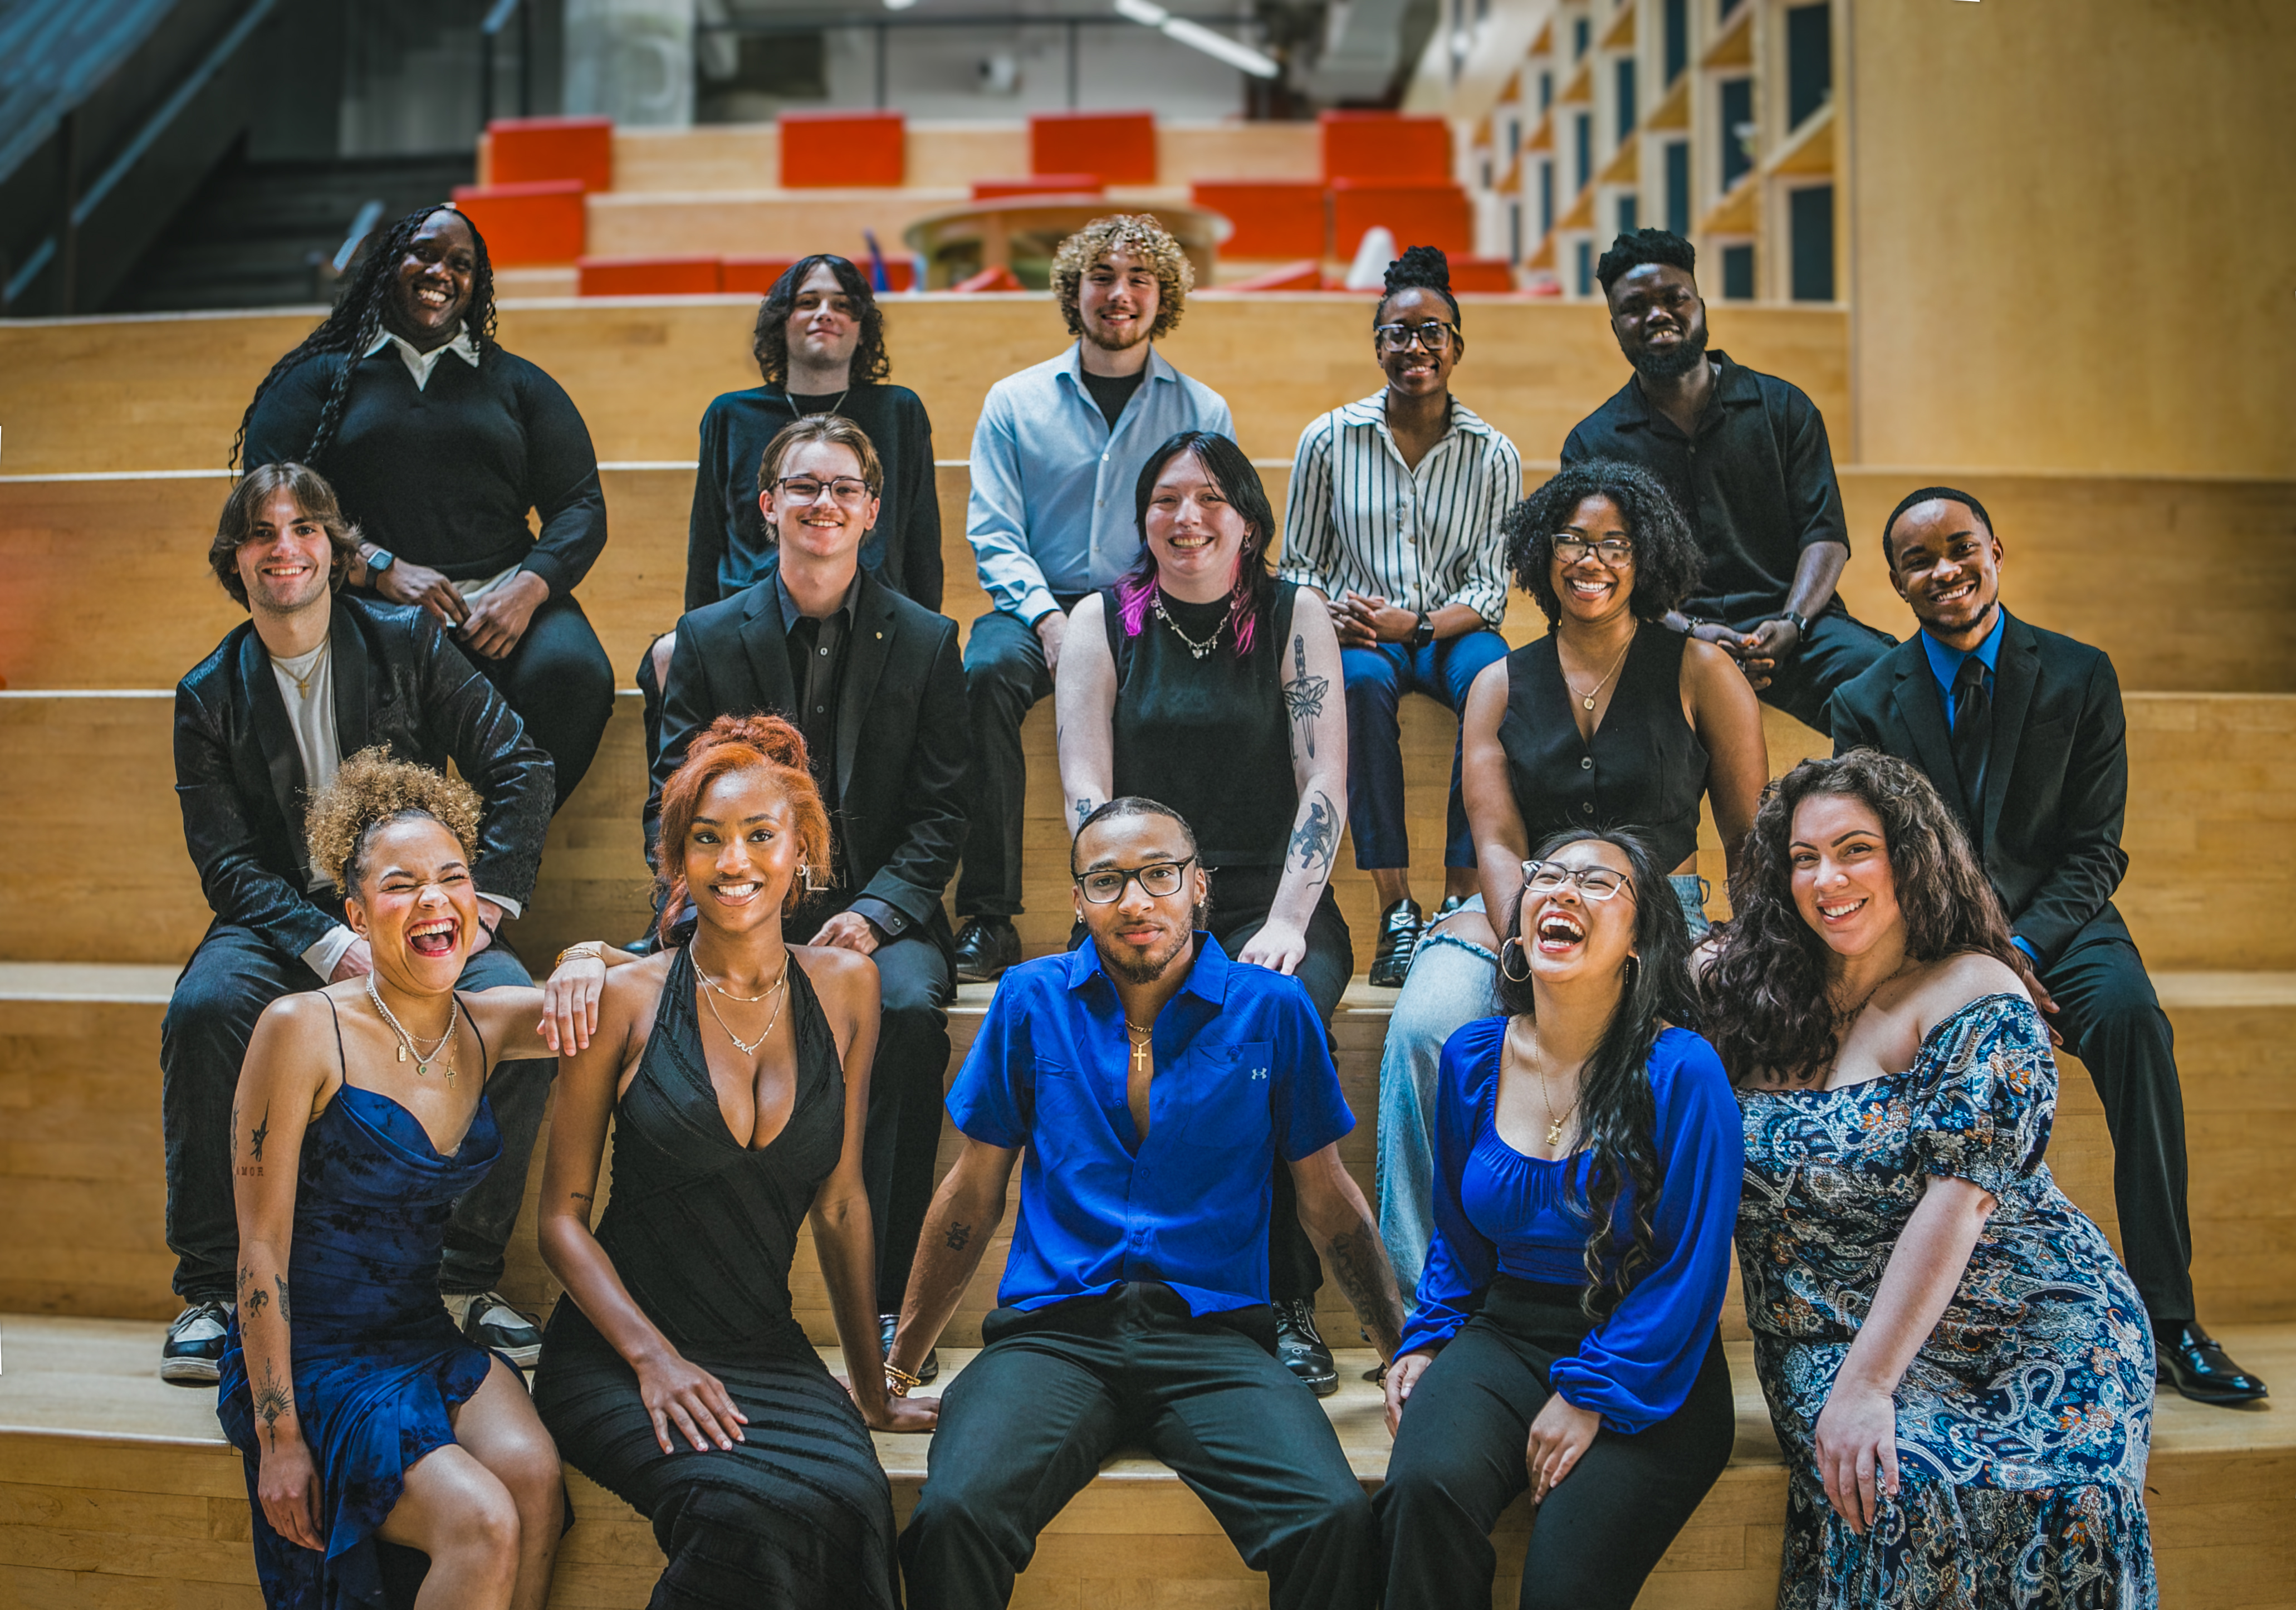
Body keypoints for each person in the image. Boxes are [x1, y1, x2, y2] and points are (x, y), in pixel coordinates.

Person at [887, 797, 1406, 1610]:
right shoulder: (1029, 1000)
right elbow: (970, 1195)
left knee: (1332, 1517)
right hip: (1051, 1337)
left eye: (1158, 874)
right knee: (953, 1513)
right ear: (1079, 900)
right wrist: (897, 1362)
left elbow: (1328, 1204)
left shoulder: (1271, 1008)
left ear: (1198, 886)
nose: (1135, 901)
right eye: (1107, 880)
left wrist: (1398, 1352)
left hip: (1213, 1340)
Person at [1825, 487, 2265, 1405]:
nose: (1943, 569)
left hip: (2063, 924)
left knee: (2136, 1023)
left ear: (1995, 550)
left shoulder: (2078, 673)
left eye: (1960, 547)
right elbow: (1873, 858)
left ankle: (2170, 1319)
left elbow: (2095, 848)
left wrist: (2021, 949)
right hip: (1937, 940)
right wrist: (1983, 963)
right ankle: (1933, 1326)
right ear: (1896, 582)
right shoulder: (1863, 702)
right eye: (1919, 559)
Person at [1703, 752, 2158, 1608]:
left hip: (2029, 1318)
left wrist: (1868, 1385)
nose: (1826, 878)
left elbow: (1957, 1203)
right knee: (1895, 1489)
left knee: (2072, 1492)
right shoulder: (1746, 989)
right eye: (1802, 858)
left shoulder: (1974, 989)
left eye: (1853, 849)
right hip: (1824, 1329)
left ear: (1909, 856)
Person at [164, 463, 557, 1386]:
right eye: (261, 534)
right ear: (237, 561)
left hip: (416, 908)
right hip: (284, 921)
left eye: (303, 527)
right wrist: (330, 942)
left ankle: (463, 1280)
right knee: (204, 1010)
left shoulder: (407, 641)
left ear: (335, 552)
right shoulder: (205, 692)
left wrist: (483, 904)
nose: (284, 548)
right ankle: (214, 1288)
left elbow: (520, 766)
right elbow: (226, 865)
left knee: (513, 1011)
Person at [532, 715, 937, 1610]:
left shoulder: (848, 985)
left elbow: (839, 1203)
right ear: (678, 858)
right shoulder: (623, 996)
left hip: (763, 1343)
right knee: (740, 1506)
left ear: (801, 852)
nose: (734, 861)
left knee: (853, 1494)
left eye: (760, 836)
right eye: (707, 840)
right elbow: (558, 1219)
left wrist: (872, 1386)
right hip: (614, 1348)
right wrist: (652, 1359)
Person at [1374, 461, 1765, 1298]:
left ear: (1645, 556)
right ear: (1540, 554)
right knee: (1421, 1031)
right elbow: (1497, 835)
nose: (1590, 560)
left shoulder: (1701, 669)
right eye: (1572, 541)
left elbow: (1748, 835)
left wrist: (1749, 942)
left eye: (1613, 544)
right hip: (1519, 908)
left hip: (1664, 911)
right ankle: (1422, 1306)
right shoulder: (1496, 682)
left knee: (1736, 1031)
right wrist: (1529, 930)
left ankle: (1651, 1289)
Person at [217, 750, 596, 1609]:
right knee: (483, 1521)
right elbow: (259, 1250)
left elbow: (632, 995)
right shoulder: (299, 1028)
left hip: (417, 1330)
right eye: (401, 884)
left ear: (476, 901)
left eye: (452, 877)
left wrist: (585, 952)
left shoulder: (490, 1020)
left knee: (535, 1477)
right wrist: (280, 1436)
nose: (433, 899)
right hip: (309, 1354)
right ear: (355, 912)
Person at [653, 414, 967, 1376]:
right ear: (766, 507)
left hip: (879, 906)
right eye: (802, 487)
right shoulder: (705, 638)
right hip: (736, 898)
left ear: (872, 511)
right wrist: (730, 899)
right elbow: (673, 796)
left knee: (909, 1011)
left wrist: (872, 915)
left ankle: (879, 1302)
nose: (821, 504)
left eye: (841, 489)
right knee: (668, 1008)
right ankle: (686, 1284)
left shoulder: (925, 639)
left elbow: (943, 812)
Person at [1055, 429, 1353, 1393]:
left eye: (1210, 499)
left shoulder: (1292, 611)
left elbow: (1324, 782)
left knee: (1275, 1015)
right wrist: (1140, 898)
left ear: (1249, 522)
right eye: (1165, 500)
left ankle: (1283, 1295)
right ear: (1142, 520)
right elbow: (1083, 787)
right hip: (1137, 891)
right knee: (1096, 1017)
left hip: (1271, 893)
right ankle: (1113, 1286)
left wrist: (1284, 921)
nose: (1187, 518)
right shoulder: (1103, 618)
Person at [1377, 829, 1743, 1609]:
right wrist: (1428, 1331)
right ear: (1516, 925)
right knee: (1419, 1493)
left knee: (1561, 1584)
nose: (1563, 889)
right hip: (1506, 1330)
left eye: (1598, 881)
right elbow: (1459, 1235)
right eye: (1547, 874)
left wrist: (1590, 1393)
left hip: (1649, 1355)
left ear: (1639, 941)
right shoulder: (1472, 1057)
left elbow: (1689, 1270)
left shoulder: (1683, 1070)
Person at [239, 204, 614, 809]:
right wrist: (379, 567)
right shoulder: (321, 378)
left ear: (476, 283)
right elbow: (269, 499)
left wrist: (526, 590)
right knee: (375, 711)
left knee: (574, 675)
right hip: (371, 606)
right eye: (426, 254)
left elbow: (580, 506)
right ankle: (403, 873)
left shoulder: (517, 383)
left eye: (461, 264)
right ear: (389, 263)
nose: (442, 271)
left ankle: (498, 868)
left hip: (501, 598)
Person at [951, 214, 1235, 983]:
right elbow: (993, 530)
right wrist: (1048, 618)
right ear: (1072, 290)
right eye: (1102, 277)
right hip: (1031, 603)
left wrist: (1122, 616)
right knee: (980, 677)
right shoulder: (1014, 401)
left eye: (1139, 279)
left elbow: (1203, 527)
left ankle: (1170, 905)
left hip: (1145, 601)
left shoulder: (1201, 411)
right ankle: (986, 914)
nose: (1119, 294)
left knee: (1173, 690)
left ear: (1162, 295)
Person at [1278, 245, 1520, 985]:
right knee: (1357, 685)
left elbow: (1488, 589)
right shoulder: (1327, 439)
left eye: (1431, 331)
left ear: (1456, 345)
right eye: (1398, 332)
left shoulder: (1491, 453)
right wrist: (1335, 618)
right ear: (1377, 343)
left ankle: (1456, 895)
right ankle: (1396, 907)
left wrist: (1413, 625)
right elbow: (1296, 567)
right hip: (1360, 639)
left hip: (1445, 634)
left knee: (1498, 678)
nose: (1414, 346)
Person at [1561, 229, 1889, 736]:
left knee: (1890, 683)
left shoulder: (1783, 408)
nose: (1657, 315)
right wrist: (1691, 631)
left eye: (1674, 298)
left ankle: (1859, 815)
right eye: (1636, 307)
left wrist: (1792, 622)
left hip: (1795, 629)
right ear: (1615, 325)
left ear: (1700, 305)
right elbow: (1603, 574)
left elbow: (1824, 535)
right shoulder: (1592, 444)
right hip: (1663, 636)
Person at [639, 253, 942, 759]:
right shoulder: (730, 414)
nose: (825, 313)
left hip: (867, 619)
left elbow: (920, 541)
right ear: (781, 322)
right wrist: (699, 639)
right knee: (666, 657)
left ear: (862, 328)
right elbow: (707, 541)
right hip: (751, 620)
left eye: (842, 304)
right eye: (807, 302)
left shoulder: (899, 411)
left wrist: (927, 640)